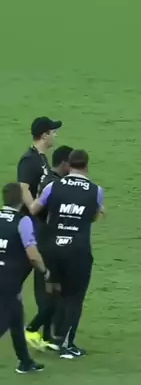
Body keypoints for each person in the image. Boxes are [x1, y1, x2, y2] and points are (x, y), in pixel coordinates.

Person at [31, 149, 104, 360]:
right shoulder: (96, 191)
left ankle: (48, 334)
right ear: (86, 166)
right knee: (74, 297)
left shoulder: (53, 186)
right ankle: (66, 344)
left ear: (69, 165)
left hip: (52, 248)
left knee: (54, 291)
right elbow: (93, 217)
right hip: (77, 250)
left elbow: (35, 208)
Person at [25, 145, 73, 351]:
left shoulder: (51, 181)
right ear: (64, 163)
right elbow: (40, 210)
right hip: (48, 243)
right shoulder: (53, 184)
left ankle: (47, 335)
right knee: (52, 290)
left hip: (49, 241)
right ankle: (33, 329)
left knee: (54, 291)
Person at [0, 183, 48, 373]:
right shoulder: (23, 221)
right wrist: (45, 271)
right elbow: (32, 255)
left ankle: (25, 361)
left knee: (16, 320)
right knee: (4, 322)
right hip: (9, 280)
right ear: (21, 200)